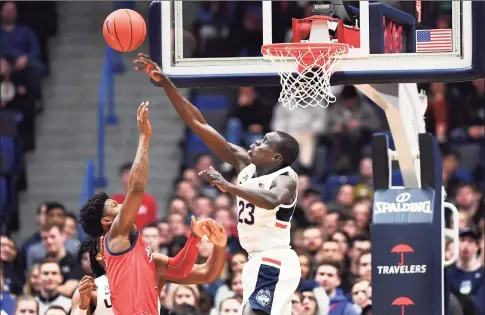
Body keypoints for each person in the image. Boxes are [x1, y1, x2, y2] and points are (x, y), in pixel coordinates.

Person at [134, 54, 302, 315]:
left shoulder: (286, 179)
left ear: (276, 157)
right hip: (256, 260)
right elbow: (199, 123)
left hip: (275, 259)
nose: (256, 142)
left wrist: (229, 186)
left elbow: (270, 199)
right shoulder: (245, 163)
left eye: (264, 142)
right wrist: (168, 84)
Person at [78, 103, 227, 315]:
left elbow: (191, 271)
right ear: (106, 222)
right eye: (114, 205)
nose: (122, 205)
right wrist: (145, 138)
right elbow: (137, 188)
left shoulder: (147, 257)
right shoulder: (115, 236)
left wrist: (203, 241)